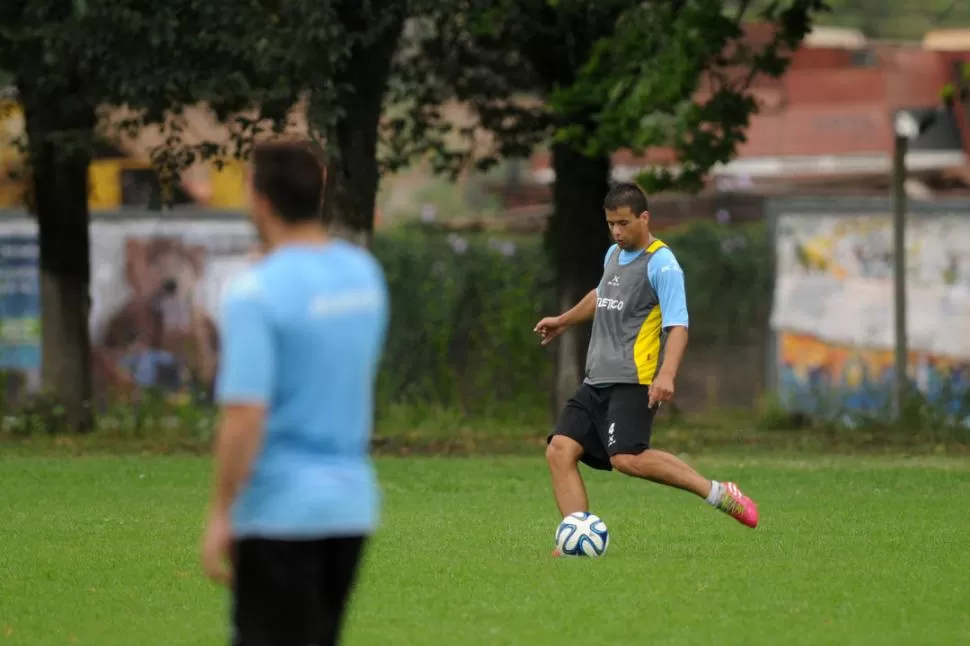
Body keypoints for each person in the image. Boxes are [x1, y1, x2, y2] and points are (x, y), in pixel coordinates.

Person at [200, 140, 389, 645]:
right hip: (351, 508)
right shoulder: (363, 275)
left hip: (278, 512)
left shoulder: (254, 292)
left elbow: (244, 412)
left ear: (260, 201)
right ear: (319, 192)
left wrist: (221, 512)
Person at [535, 181, 759, 546]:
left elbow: (678, 325)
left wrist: (666, 375)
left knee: (627, 458)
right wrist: (563, 320)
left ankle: (718, 492)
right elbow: (601, 294)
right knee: (560, 449)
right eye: (611, 224)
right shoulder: (612, 255)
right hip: (596, 381)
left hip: (633, 380)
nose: (617, 232)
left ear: (644, 217)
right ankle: (576, 540)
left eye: (623, 223)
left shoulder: (663, 264)